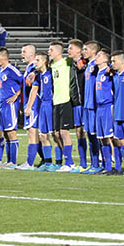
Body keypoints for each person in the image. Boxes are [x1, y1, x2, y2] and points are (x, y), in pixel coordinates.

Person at [48, 41, 77, 172]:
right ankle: (64, 160)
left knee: (64, 133)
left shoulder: (67, 62)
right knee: (56, 134)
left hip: (66, 100)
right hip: (56, 101)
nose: (49, 52)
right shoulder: (52, 65)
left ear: (59, 52)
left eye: (51, 50)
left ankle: (70, 163)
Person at [0, 47, 22, 169]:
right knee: (6, 133)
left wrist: (16, 95)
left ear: (4, 57)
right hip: (2, 105)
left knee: (11, 132)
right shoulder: (1, 71)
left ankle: (14, 162)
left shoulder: (12, 70)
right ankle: (9, 160)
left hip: (10, 105)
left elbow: (25, 82)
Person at [80, 40, 103, 174]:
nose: (84, 52)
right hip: (87, 106)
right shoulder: (89, 65)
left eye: (86, 49)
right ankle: (94, 164)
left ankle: (101, 163)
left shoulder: (97, 65)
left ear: (93, 52)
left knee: (96, 136)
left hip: (94, 106)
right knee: (89, 135)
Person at [18, 44, 41, 171]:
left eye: (24, 51)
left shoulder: (34, 67)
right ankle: (42, 160)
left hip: (33, 104)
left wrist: (29, 106)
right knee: (33, 133)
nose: (22, 54)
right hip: (29, 104)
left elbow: (34, 88)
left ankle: (30, 163)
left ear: (32, 54)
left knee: (32, 132)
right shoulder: (29, 68)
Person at [93, 49, 116, 175]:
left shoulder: (109, 71)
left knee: (110, 136)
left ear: (106, 59)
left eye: (99, 55)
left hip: (108, 106)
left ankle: (115, 162)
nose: (96, 57)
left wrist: (112, 68)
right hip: (99, 107)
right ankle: (106, 166)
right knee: (101, 137)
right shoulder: (98, 72)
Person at [68, 39, 88, 171]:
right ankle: (83, 163)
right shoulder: (71, 64)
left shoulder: (85, 63)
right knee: (79, 132)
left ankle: (100, 161)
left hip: (86, 104)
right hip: (76, 103)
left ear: (78, 51)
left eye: (70, 48)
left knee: (89, 132)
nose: (68, 51)